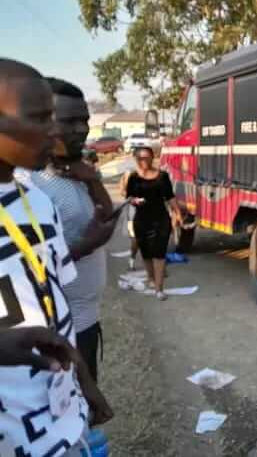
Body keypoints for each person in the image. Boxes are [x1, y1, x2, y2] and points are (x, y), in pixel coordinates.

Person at [0, 59, 112, 456]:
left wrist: (84, 377)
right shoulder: (40, 186)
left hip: (63, 413)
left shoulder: (33, 201)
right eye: (40, 117)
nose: (54, 130)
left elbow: (53, 296)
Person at [22, 77, 117, 382]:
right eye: (70, 121)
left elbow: (105, 213)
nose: (81, 129)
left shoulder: (74, 170)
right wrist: (85, 246)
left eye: (85, 120)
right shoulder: (28, 183)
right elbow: (25, 266)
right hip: (57, 326)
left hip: (86, 317)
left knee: (87, 406)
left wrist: (91, 179)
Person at [125, 146, 181, 300]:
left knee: (159, 253)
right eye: (141, 158)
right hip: (141, 220)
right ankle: (151, 277)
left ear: (152, 158)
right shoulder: (133, 178)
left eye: (147, 157)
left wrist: (177, 212)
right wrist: (135, 200)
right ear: (136, 159)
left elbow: (170, 196)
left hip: (161, 219)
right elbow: (129, 197)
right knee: (147, 253)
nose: (144, 161)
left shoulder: (162, 176)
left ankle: (159, 288)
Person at [120, 169, 139, 269]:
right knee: (136, 240)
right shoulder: (126, 176)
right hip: (131, 214)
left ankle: (158, 266)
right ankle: (132, 260)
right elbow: (122, 192)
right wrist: (132, 199)